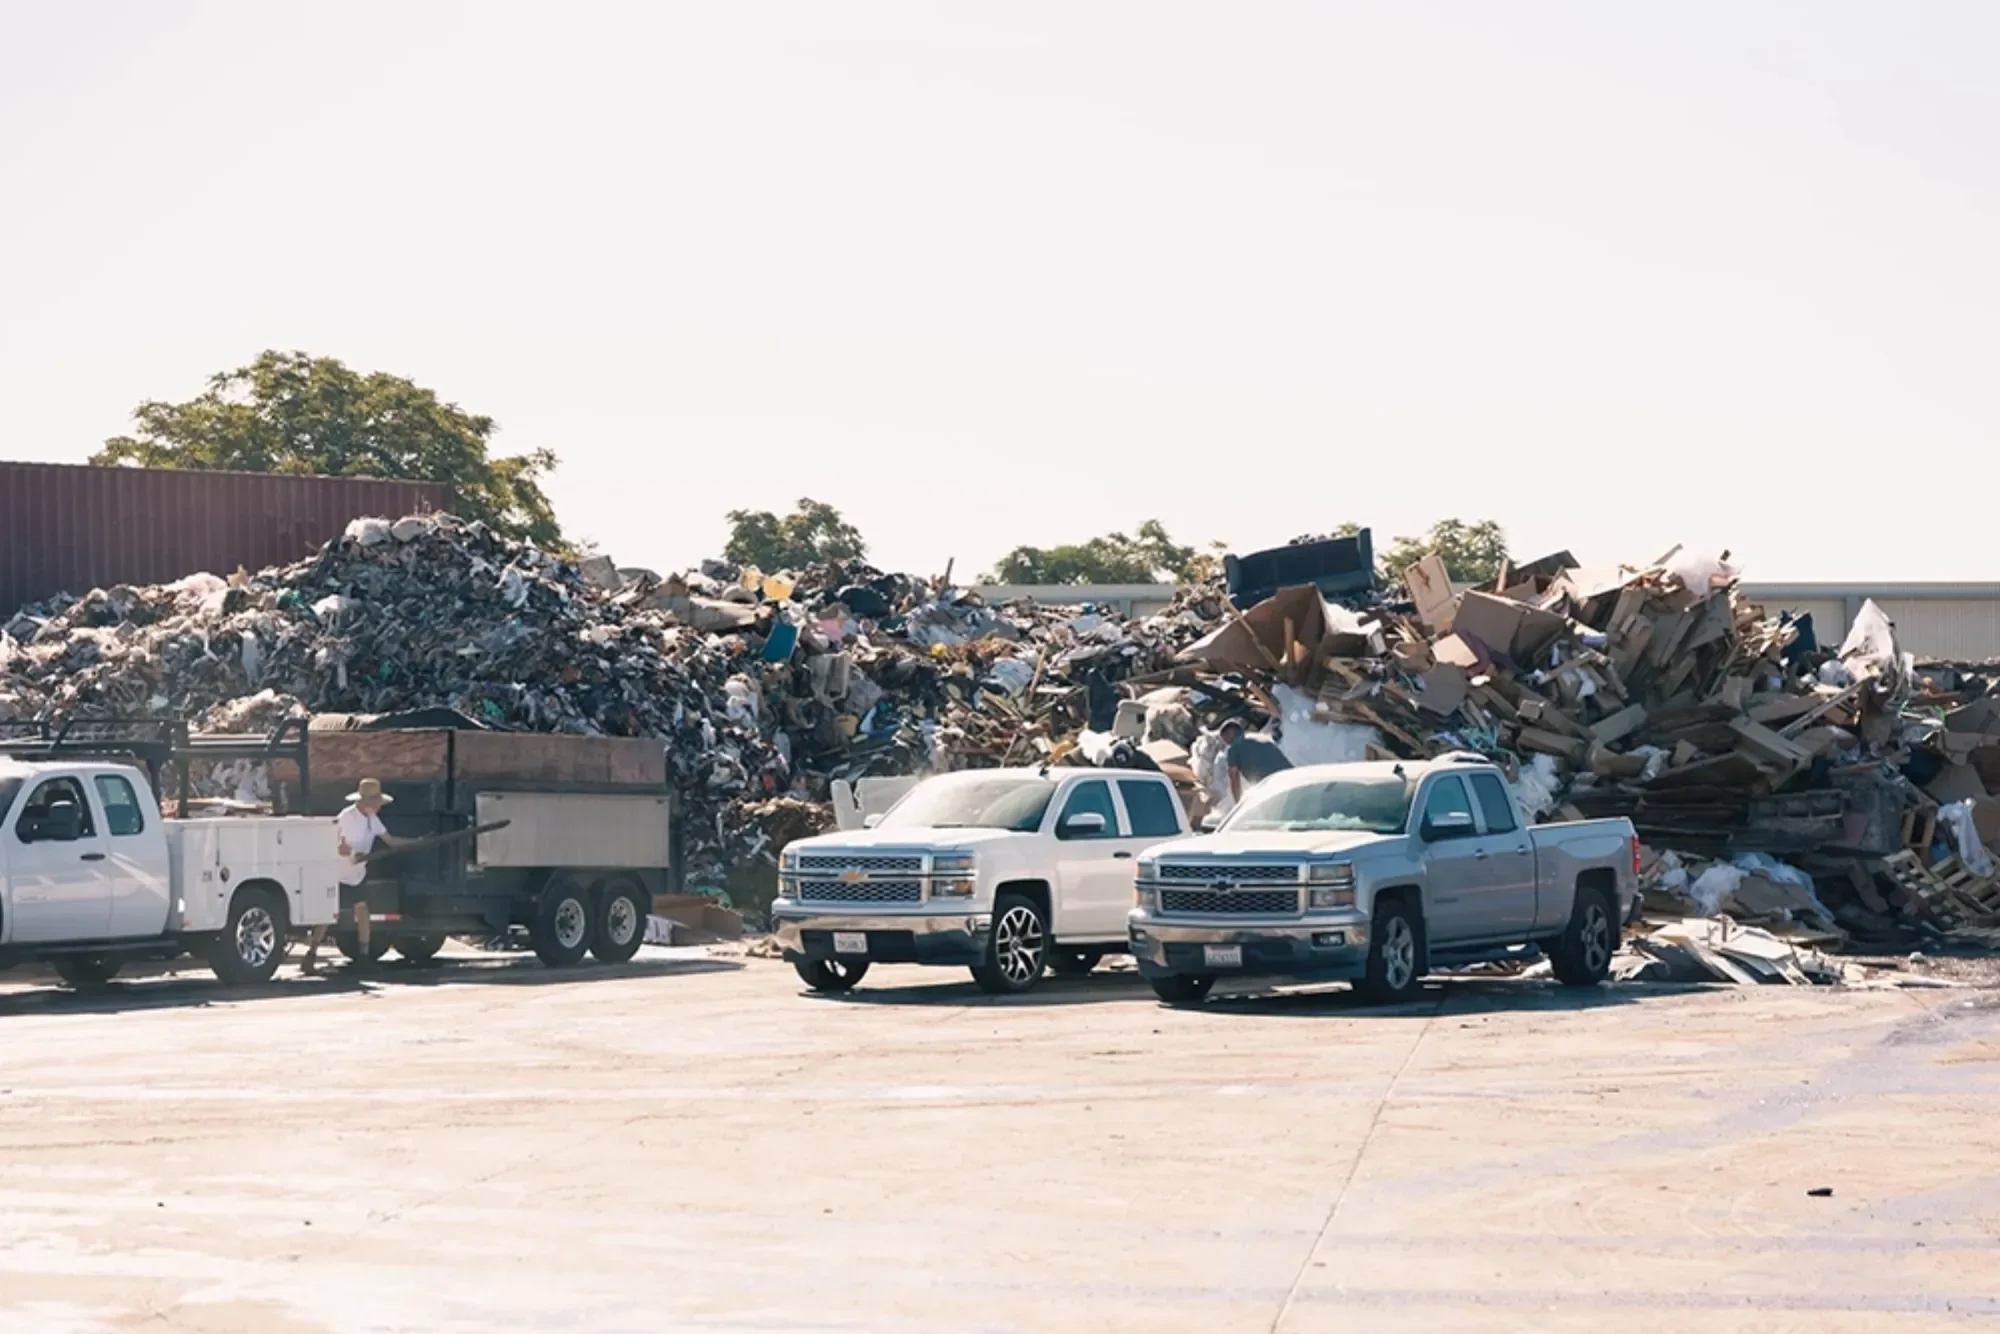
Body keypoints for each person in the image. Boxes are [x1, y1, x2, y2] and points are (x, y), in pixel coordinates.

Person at [304, 778, 406, 973]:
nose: (379, 806)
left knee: (362, 912)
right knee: (327, 914)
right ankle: (311, 955)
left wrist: (413, 843)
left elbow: (390, 840)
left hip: (357, 874)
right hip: (338, 873)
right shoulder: (347, 818)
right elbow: (336, 846)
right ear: (366, 802)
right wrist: (351, 854)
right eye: (376, 802)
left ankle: (364, 956)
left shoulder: (371, 819)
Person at [1220, 719, 1292, 801]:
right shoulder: (1261, 737)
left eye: (1224, 739)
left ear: (1228, 736)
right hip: (1292, 776)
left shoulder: (1233, 749)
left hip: (1273, 787)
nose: (1225, 743)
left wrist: (1238, 802)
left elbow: (1234, 776)